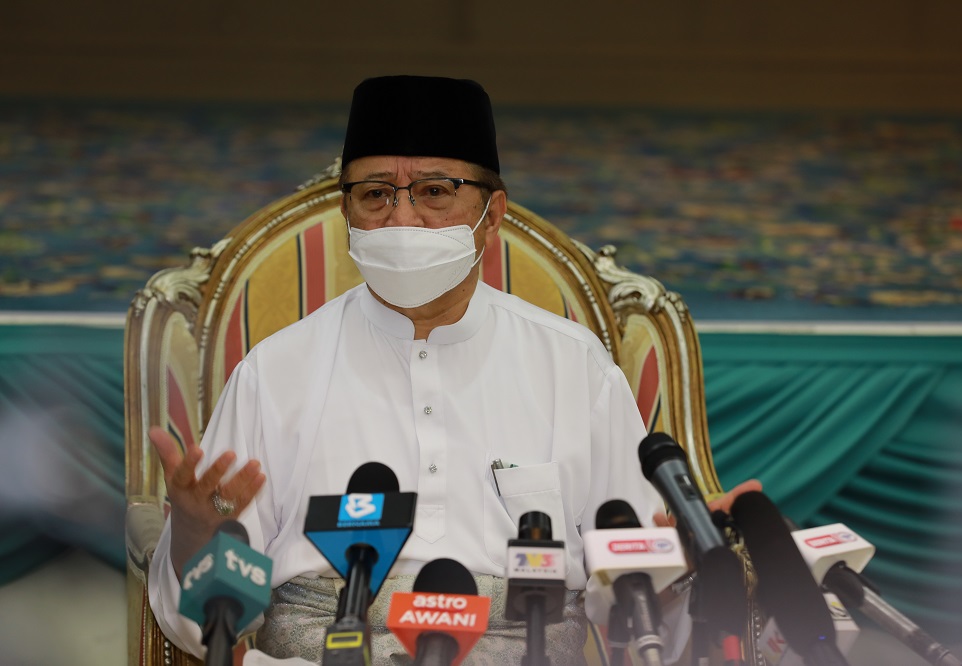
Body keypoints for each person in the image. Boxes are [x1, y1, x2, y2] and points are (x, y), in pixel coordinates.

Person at [147, 74, 760, 665]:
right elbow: (208, 628)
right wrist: (196, 540)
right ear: (348, 214)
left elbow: (634, 603)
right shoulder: (274, 372)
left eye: (435, 191)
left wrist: (678, 560)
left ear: (491, 215)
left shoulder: (574, 367)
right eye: (375, 194)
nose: (402, 219)